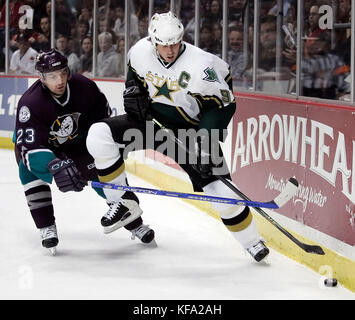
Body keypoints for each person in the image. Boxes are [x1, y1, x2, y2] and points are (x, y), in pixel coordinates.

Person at [86, 12, 269, 262]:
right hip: (150, 124)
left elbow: (223, 105)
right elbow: (134, 81)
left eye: (175, 42)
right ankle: (123, 204)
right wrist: (132, 94)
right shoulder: (140, 51)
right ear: (152, 41)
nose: (170, 49)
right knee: (98, 134)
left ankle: (252, 242)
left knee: (223, 196)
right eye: (163, 44)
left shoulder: (202, 66)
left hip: (190, 133)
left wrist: (206, 142)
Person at [13, 48, 155, 255]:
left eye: (62, 73)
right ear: (42, 78)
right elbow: (28, 149)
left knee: (106, 175)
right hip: (49, 151)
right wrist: (52, 164)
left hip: (82, 145)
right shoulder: (30, 103)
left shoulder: (85, 87)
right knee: (26, 173)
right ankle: (46, 227)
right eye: (52, 76)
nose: (59, 80)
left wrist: (110, 150)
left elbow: (105, 124)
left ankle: (135, 224)